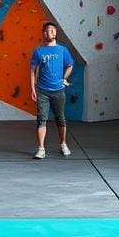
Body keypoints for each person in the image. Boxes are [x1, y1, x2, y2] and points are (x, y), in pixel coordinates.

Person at [29, 21, 74, 159]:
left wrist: (64, 78)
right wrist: (33, 89)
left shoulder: (62, 50)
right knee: (41, 119)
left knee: (60, 118)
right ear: (44, 33)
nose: (51, 33)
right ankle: (41, 148)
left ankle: (63, 143)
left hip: (59, 91)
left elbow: (70, 65)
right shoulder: (38, 51)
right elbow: (32, 71)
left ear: (56, 33)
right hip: (42, 91)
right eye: (48, 30)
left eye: (53, 30)